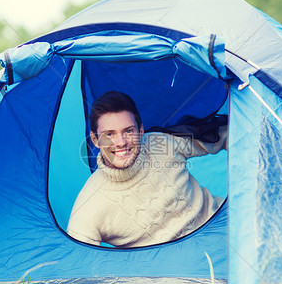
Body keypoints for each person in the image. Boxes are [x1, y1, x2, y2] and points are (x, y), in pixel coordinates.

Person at [67, 91, 227, 247]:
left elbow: (225, 134)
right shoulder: (90, 204)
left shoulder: (161, 143)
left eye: (128, 131)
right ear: (95, 139)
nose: (121, 142)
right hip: (184, 270)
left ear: (141, 131)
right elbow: (78, 264)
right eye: (109, 134)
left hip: (226, 224)